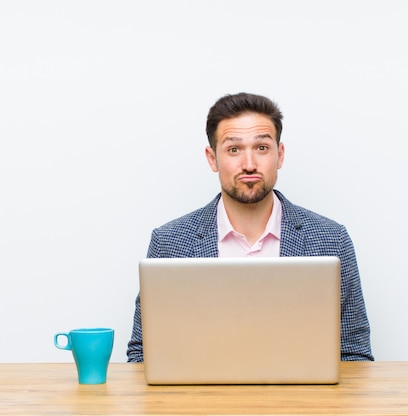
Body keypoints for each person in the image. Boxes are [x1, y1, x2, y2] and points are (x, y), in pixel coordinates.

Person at [127, 92, 373, 362]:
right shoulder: (169, 243)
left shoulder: (331, 240)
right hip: (200, 402)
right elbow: (142, 354)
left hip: (302, 402)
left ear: (279, 155)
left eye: (261, 148)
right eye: (234, 149)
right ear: (212, 159)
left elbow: (354, 354)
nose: (249, 164)